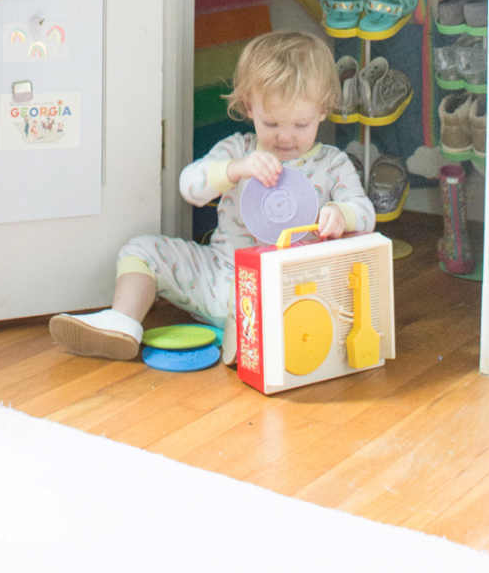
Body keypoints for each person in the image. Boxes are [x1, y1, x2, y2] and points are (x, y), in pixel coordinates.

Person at [49, 30, 374, 363]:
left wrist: (340, 213)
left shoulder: (332, 163)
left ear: (322, 110)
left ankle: (249, 335)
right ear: (250, 106)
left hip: (294, 288)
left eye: (301, 124)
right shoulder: (238, 150)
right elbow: (190, 186)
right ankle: (123, 322)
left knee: (310, 305)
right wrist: (234, 170)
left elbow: (365, 212)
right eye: (272, 122)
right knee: (141, 249)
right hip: (223, 275)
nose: (286, 137)